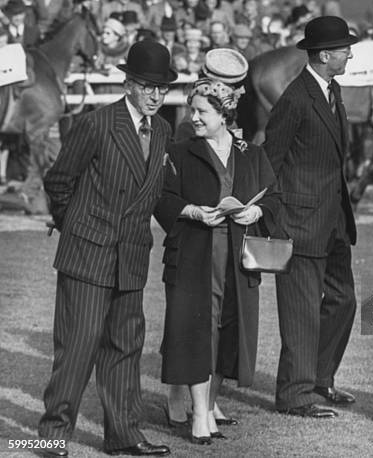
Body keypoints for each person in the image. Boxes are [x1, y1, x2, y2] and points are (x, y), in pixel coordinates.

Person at [38, 40, 177, 457]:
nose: (156, 95)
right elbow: (58, 182)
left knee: (125, 349)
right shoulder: (98, 123)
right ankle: (50, 438)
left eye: (162, 88)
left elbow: (152, 194)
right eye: (148, 86)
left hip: (132, 257)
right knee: (77, 348)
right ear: (129, 84)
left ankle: (124, 436)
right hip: (88, 255)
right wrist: (77, 228)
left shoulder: (164, 130)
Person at [154, 71, 280, 443]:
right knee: (196, 332)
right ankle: (197, 417)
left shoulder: (252, 154)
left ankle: (208, 407)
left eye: (202, 112)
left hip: (238, 259)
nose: (193, 117)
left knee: (228, 333)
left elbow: (274, 197)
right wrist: (192, 211)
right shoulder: (180, 153)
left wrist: (255, 213)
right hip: (195, 256)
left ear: (223, 115)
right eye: (192, 110)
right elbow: (162, 198)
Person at [263, 15, 358, 418]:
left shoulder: (331, 91)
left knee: (344, 300)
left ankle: (319, 378)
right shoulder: (296, 98)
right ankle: (295, 395)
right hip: (300, 224)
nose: (349, 54)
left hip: (333, 220)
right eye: (343, 49)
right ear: (323, 55)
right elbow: (270, 161)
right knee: (301, 313)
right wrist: (277, 221)